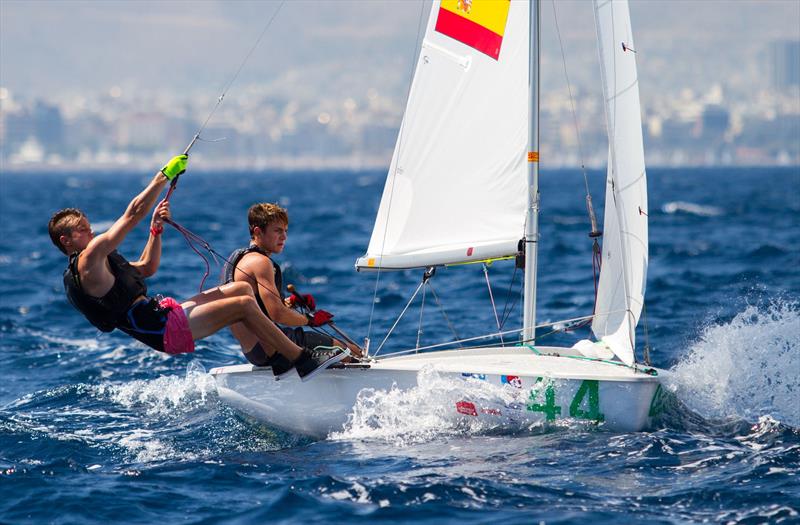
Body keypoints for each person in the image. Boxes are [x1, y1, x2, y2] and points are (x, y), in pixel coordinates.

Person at [48, 155, 346, 381]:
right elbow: (132, 213)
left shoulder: (99, 262)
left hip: (164, 314)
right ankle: (300, 359)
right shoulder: (87, 260)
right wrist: (163, 176)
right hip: (163, 331)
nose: (91, 233)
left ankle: (275, 355)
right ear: (66, 241)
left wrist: (156, 230)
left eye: (89, 228)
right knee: (243, 304)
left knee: (243, 288)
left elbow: (147, 268)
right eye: (83, 231)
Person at [223, 202, 362, 377]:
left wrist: (290, 302)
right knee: (349, 351)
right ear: (258, 232)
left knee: (335, 348)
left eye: (285, 231)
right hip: (272, 347)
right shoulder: (261, 262)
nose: (284, 237)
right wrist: (310, 320)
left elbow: (262, 308)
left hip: (254, 351)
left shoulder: (238, 258)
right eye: (277, 231)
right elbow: (277, 314)